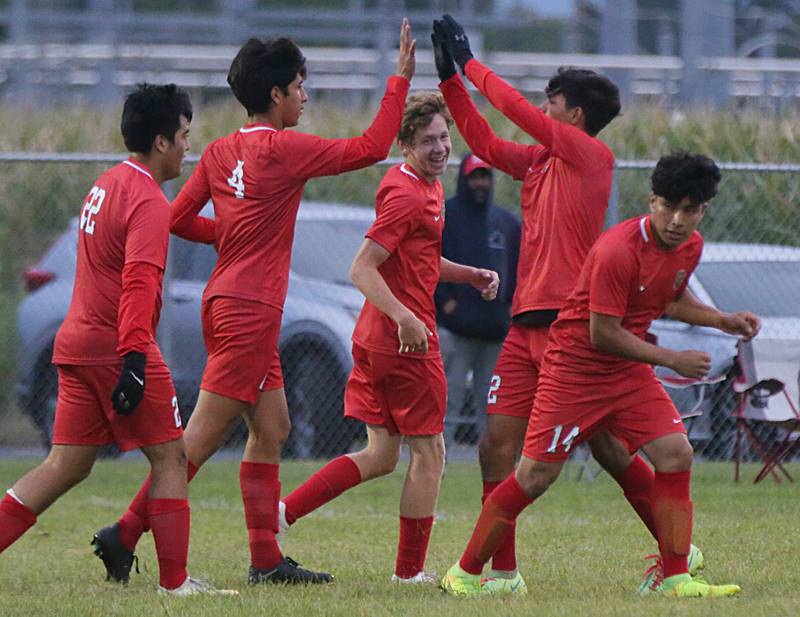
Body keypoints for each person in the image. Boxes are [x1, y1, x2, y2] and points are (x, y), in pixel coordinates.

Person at [91, 20, 416, 586]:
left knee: (273, 427)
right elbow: (373, 148)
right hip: (250, 311)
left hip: (230, 302)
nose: (306, 95)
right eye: (300, 86)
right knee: (194, 443)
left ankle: (266, 560)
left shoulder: (218, 152)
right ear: (276, 94)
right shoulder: (283, 148)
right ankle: (124, 533)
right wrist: (399, 81)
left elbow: (178, 219)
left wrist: (231, 237)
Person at [432, 14, 680, 594]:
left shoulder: (590, 156)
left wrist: (472, 65)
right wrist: (450, 82)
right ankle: (504, 574)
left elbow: (513, 113)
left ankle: (677, 550)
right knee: (497, 447)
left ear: (575, 116)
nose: (542, 108)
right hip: (524, 327)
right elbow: (489, 143)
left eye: (553, 101)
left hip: (573, 330)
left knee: (615, 452)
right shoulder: (543, 161)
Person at [440, 152, 760, 598]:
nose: (676, 220)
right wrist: (671, 359)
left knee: (675, 453)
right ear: (652, 201)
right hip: (576, 369)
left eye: (689, 210)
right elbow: (602, 333)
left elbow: (669, 295)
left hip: (625, 372)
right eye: (669, 206)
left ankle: (674, 578)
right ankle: (465, 573)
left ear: (702, 211)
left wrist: (722, 319)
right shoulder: (617, 249)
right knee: (534, 477)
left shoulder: (691, 245)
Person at [0, 84, 233, 596]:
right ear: (160, 142)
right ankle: (176, 584)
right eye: (183, 136)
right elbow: (139, 281)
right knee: (171, 457)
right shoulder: (148, 198)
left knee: (67, 464)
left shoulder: (104, 183)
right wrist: (133, 358)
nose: (188, 147)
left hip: (76, 343)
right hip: (116, 346)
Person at [276, 91, 500, 584]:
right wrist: (405, 317)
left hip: (378, 338)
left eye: (444, 137)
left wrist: (469, 275)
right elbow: (362, 268)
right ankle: (409, 573)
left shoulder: (425, 185)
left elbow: (415, 260)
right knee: (431, 453)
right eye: (427, 141)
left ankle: (281, 513)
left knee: (380, 455)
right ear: (404, 145)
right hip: (404, 343)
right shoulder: (406, 193)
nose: (440, 148)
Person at [435, 153, 520, 447]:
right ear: (463, 178)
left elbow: (520, 268)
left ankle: (492, 463)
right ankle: (436, 463)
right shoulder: (446, 216)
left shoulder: (506, 222)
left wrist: (509, 308)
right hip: (456, 329)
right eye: (474, 177)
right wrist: (446, 304)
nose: (480, 183)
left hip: (494, 331)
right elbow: (428, 262)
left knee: (493, 404)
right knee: (449, 398)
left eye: (484, 176)